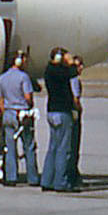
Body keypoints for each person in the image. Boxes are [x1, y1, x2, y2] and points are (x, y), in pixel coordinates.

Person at [0, 51, 38, 185]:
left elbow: (0, 100)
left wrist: (5, 112)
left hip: (8, 113)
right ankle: (33, 178)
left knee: (10, 147)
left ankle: (11, 177)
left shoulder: (2, 78)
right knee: (29, 146)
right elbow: (28, 97)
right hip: (22, 113)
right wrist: (30, 107)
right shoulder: (24, 77)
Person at [41, 48, 78, 192]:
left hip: (52, 112)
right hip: (62, 112)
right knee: (63, 148)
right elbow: (72, 72)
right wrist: (70, 62)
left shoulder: (49, 70)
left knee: (53, 148)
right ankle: (60, 182)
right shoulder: (58, 72)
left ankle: (47, 180)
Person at [67, 53, 85, 190]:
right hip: (73, 113)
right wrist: (78, 109)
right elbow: (75, 98)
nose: (81, 67)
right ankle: (72, 175)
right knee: (73, 145)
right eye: (79, 65)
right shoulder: (73, 80)